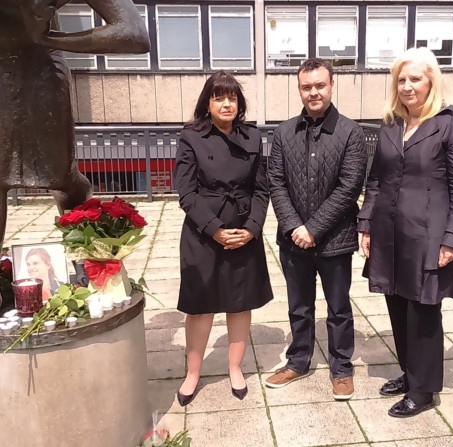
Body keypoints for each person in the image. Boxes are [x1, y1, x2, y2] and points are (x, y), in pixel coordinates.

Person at [357, 47, 453, 418]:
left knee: (423, 310)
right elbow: (376, 179)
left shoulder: (452, 122)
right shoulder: (392, 122)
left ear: (431, 81)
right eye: (402, 80)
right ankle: (411, 374)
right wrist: (366, 224)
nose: (408, 86)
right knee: (396, 302)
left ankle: (423, 390)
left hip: (430, 234)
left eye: (415, 79)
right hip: (390, 232)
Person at [0, 0, 149, 252]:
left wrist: (47, 38)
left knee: (61, 177)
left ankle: (86, 258)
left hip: (41, 70)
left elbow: (133, 35)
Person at [266, 58, 367, 400]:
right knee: (299, 306)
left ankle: (341, 368)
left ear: (331, 85)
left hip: (334, 240)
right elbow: (275, 183)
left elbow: (349, 186)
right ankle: (298, 360)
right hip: (293, 240)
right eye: (307, 87)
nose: (314, 93)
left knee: (338, 308)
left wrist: (313, 228)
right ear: (299, 89)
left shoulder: (351, 132)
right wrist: (295, 226)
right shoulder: (282, 133)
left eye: (320, 85)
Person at [174, 71, 273, 405]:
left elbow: (262, 189)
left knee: (239, 303)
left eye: (232, 97)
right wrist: (214, 227)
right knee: (200, 306)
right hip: (204, 232)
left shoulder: (252, 136)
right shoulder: (192, 137)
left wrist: (253, 228)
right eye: (219, 97)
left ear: (239, 102)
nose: (226, 103)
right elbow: (185, 191)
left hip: (244, 231)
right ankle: (192, 373)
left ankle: (234, 368)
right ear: (208, 102)